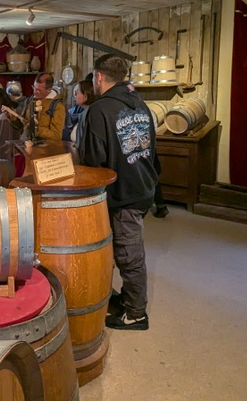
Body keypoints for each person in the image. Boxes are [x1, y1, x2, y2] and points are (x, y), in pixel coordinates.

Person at [78, 54, 160, 330]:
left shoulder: (100, 110)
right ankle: (127, 298)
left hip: (123, 191)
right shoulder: (141, 104)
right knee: (125, 246)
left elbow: (93, 159)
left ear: (99, 77)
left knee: (128, 252)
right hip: (144, 183)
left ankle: (137, 313)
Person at [0, 88, 24, 178]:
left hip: (5, 157)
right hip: (14, 155)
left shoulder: (3, 118)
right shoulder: (13, 111)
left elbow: (1, 142)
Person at [26, 73, 66, 141]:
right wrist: (13, 118)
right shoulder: (30, 100)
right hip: (28, 145)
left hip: (46, 149)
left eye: (39, 90)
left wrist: (37, 129)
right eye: (34, 88)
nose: (34, 92)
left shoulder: (57, 107)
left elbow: (56, 135)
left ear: (49, 90)